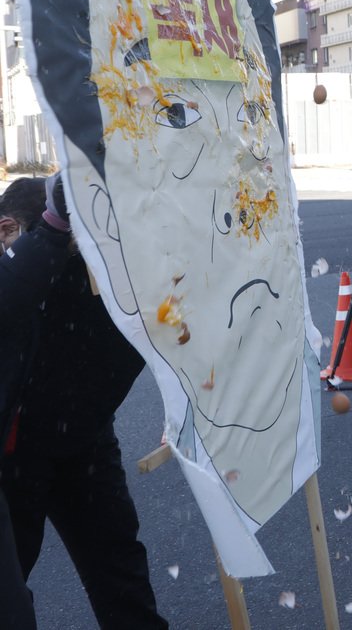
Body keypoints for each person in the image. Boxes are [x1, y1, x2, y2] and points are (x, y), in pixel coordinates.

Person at [0, 178, 165, 629]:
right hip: (15, 454)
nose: (73, 253)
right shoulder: (20, 277)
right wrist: (54, 231)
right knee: (9, 600)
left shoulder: (108, 272)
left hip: (86, 441)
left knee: (121, 577)